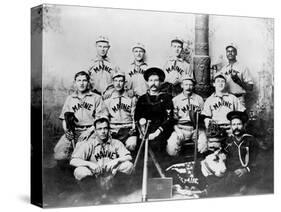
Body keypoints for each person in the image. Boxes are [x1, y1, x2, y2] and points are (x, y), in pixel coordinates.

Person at [70, 117, 133, 195]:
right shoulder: (88, 144)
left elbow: (129, 157)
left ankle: (116, 193)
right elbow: (73, 161)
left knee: (128, 165)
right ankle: (94, 195)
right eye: (99, 129)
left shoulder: (116, 143)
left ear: (109, 130)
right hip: (94, 179)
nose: (103, 131)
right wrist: (90, 164)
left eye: (105, 128)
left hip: (112, 178)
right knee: (79, 170)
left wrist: (116, 160)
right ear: (95, 131)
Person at [203, 111, 258, 197]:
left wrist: (245, 169)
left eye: (239, 124)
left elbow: (258, 160)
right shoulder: (228, 140)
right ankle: (238, 187)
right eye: (233, 125)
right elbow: (224, 156)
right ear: (231, 126)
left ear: (244, 125)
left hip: (245, 172)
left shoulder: (250, 140)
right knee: (211, 178)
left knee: (233, 178)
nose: (236, 127)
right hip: (230, 172)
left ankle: (207, 192)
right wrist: (218, 155)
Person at [53, 71, 105, 161]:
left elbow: (101, 119)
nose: (81, 83)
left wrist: (88, 132)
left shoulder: (96, 97)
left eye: (84, 80)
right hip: (74, 130)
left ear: (88, 82)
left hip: (91, 131)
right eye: (79, 80)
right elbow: (64, 118)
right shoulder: (70, 98)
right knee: (59, 154)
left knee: (85, 153)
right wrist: (67, 131)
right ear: (75, 82)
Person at [135, 67, 174, 165]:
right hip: (145, 131)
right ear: (147, 82)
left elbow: (169, 119)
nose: (153, 83)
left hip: (160, 131)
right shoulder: (142, 99)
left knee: (158, 144)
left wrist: (157, 132)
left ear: (160, 82)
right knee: (140, 147)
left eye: (156, 80)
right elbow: (137, 117)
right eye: (151, 80)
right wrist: (142, 131)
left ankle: (159, 176)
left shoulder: (166, 98)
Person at [201, 74, 245, 150]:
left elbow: (242, 113)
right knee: (215, 151)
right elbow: (206, 117)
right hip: (217, 130)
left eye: (223, 82)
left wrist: (237, 126)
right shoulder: (209, 100)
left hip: (231, 129)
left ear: (225, 84)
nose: (220, 83)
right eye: (218, 81)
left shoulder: (232, 98)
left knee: (235, 149)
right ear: (214, 84)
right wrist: (210, 127)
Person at [166, 76, 208, 156]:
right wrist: (178, 131)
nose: (188, 87)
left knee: (204, 146)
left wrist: (199, 128)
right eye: (186, 85)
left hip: (196, 128)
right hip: (181, 128)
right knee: (171, 149)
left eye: (191, 85)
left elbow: (203, 117)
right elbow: (172, 120)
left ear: (193, 86)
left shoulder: (199, 99)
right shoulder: (176, 100)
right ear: (182, 86)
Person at [103, 72, 137, 152]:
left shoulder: (131, 98)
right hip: (113, 130)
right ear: (112, 82)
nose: (118, 84)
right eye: (116, 81)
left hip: (128, 129)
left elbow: (134, 116)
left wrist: (133, 128)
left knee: (132, 144)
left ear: (125, 83)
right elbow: (105, 117)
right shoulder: (108, 99)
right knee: (110, 148)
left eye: (121, 81)